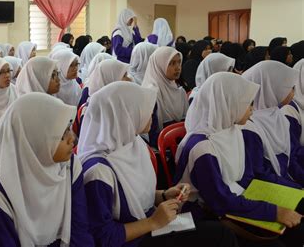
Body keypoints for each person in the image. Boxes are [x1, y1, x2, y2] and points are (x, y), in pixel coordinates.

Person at [78, 81, 238, 247]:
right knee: (221, 236)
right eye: (144, 110)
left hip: (148, 226)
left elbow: (131, 196)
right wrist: (153, 222)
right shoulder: (98, 172)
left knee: (218, 232)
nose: (152, 115)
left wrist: (163, 195)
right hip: (133, 240)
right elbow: (103, 237)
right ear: (124, 115)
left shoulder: (133, 144)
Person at [175, 72, 302, 247]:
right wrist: (274, 211)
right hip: (206, 214)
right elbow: (220, 200)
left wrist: (276, 201)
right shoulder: (202, 147)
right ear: (228, 104)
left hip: (234, 202)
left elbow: (247, 178)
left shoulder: (233, 131)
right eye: (248, 103)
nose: (252, 108)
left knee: (295, 220)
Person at [0, 93, 94, 246]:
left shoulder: (69, 166)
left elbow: (80, 231)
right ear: (36, 139)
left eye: (69, 128)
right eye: (63, 133)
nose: (72, 138)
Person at [242, 61, 304, 187]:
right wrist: (296, 189)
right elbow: (259, 174)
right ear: (271, 88)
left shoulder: (277, 116)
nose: (293, 92)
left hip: (282, 182)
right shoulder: (248, 125)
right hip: (264, 188)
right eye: (290, 88)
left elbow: (290, 160)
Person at [142, 47, 189, 147]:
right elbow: (151, 135)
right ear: (159, 66)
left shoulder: (180, 91)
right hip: (162, 148)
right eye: (172, 63)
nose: (178, 67)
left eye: (179, 62)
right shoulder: (151, 94)